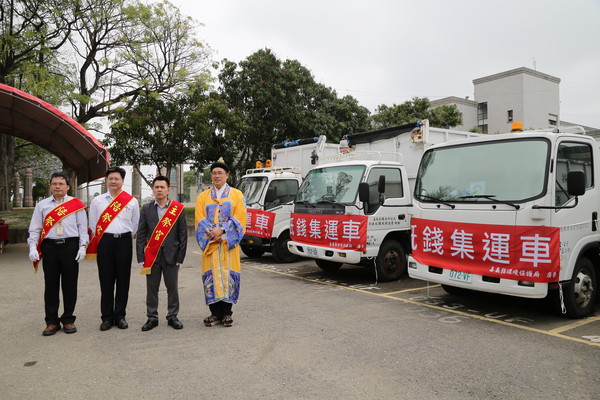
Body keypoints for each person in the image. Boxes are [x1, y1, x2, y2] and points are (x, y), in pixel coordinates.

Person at [27, 172, 88, 336]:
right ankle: (51, 321)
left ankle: (68, 319)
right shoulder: (42, 205)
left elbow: (83, 228)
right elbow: (35, 228)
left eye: (61, 183)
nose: (57, 186)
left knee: (70, 285)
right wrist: (33, 247)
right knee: (51, 285)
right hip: (50, 247)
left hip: (70, 246)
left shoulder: (76, 204)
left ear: (68, 186)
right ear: (50, 186)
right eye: (54, 183)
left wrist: (83, 246)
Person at [195, 158, 246, 327]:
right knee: (211, 277)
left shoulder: (236, 195)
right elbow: (199, 218)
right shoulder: (203, 197)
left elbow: (240, 217)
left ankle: (227, 313)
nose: (217, 176)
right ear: (211, 176)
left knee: (227, 275)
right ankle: (214, 313)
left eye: (220, 173)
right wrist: (211, 232)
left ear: (227, 175)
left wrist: (223, 230)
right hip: (210, 244)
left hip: (227, 244)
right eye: (214, 173)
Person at [87, 166, 139, 331]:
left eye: (117, 178)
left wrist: (124, 236)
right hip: (105, 242)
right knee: (106, 280)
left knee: (123, 280)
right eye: (110, 178)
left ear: (123, 181)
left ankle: (120, 315)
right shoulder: (97, 201)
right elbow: (93, 223)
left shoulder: (131, 201)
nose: (113, 181)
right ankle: (107, 317)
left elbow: (135, 225)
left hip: (124, 241)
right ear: (106, 181)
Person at [136, 176, 187, 331]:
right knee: (152, 288)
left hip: (172, 255)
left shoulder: (178, 209)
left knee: (172, 288)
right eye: (156, 187)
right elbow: (141, 234)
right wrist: (140, 257)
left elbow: (183, 235)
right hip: (152, 257)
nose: (159, 190)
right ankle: (152, 318)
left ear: (168, 190)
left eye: (162, 187)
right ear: (153, 189)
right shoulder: (146, 208)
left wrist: (180, 257)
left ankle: (173, 316)